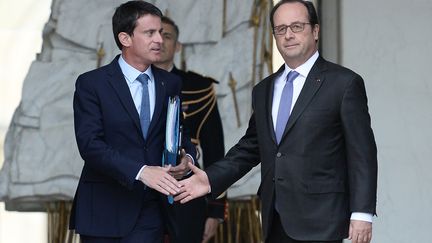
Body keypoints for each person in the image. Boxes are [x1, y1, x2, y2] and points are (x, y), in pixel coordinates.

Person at [174, 1, 378, 243]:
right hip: (275, 216)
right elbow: (250, 148)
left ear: (315, 31)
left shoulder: (343, 84)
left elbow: (362, 153)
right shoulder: (264, 89)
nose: (288, 35)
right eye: (280, 29)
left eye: (296, 26)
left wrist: (362, 213)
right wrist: (209, 179)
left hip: (322, 218)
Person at [69, 1, 196, 242]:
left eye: (160, 32)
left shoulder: (170, 83)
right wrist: (141, 172)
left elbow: (180, 133)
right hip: (103, 210)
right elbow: (90, 144)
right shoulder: (92, 84)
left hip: (151, 210)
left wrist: (186, 160)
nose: (159, 39)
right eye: (150, 33)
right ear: (125, 38)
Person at [154, 16, 227, 243]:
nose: (160, 40)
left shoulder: (199, 87)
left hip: (186, 190)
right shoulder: (128, 85)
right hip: (139, 191)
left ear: (177, 46)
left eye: (167, 36)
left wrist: (215, 210)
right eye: (153, 33)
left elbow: (215, 151)